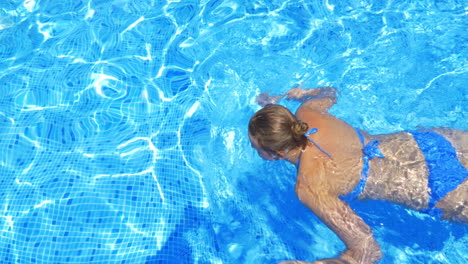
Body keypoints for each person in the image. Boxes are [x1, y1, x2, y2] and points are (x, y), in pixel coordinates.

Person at [248, 85, 467, 264]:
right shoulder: (308, 113)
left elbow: (368, 250)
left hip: (435, 190)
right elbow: (329, 92)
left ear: (274, 154)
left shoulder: (310, 187)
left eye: (255, 148)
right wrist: (300, 94)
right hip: (431, 143)